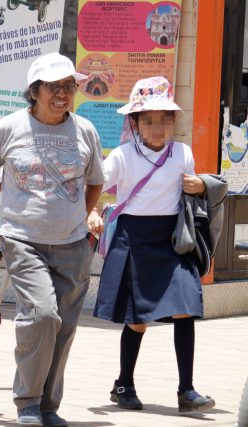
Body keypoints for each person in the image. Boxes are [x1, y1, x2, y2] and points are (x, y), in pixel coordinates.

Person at [0, 52, 105, 426]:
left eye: (69, 86)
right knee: (42, 315)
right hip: (22, 238)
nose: (63, 93)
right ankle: (27, 401)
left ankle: (48, 406)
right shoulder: (8, 128)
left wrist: (79, 217)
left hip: (72, 243)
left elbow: (96, 180)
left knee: (63, 325)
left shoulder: (84, 131)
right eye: (54, 87)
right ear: (34, 91)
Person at [91, 76, 216, 413]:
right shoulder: (121, 156)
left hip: (173, 241)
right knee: (138, 319)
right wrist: (91, 211)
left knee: (186, 307)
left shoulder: (183, 154)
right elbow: (95, 184)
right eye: (148, 120)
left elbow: (193, 196)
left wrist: (198, 186)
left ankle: (186, 391)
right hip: (134, 238)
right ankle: (124, 383)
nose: (158, 127)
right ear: (135, 124)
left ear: (173, 121)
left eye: (165, 119)